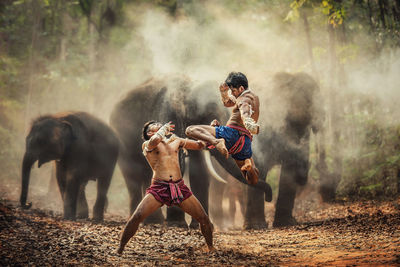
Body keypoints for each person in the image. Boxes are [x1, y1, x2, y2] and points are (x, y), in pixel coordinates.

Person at [116, 121, 214, 254]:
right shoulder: (148, 144)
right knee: (137, 216)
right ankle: (120, 248)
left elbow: (200, 145)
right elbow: (156, 139)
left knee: (204, 218)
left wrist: (211, 130)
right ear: (149, 133)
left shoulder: (176, 141)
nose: (159, 124)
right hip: (159, 188)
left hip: (179, 187)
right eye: (155, 125)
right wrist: (163, 129)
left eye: (159, 123)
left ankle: (211, 247)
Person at [185, 72, 260, 185]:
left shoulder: (243, 99)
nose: (233, 94)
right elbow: (228, 103)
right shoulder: (252, 97)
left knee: (190, 130)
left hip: (231, 134)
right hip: (245, 141)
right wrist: (224, 92)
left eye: (233, 91)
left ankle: (217, 142)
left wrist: (248, 122)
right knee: (251, 180)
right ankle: (249, 167)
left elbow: (244, 110)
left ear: (241, 88)